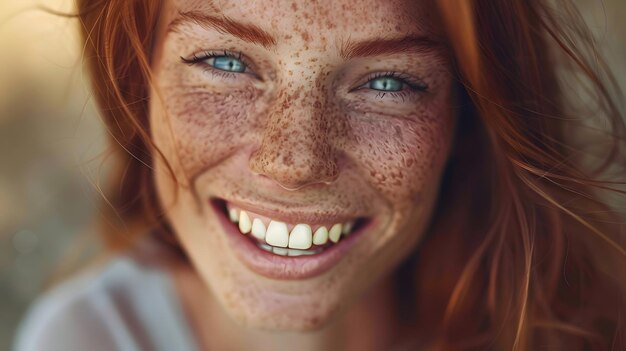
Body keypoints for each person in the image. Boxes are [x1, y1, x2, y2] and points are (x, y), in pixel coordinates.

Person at [14, 0, 626, 350]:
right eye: (225, 61)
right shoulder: (86, 339)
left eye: (388, 82)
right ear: (134, 83)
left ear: (470, 118)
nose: (294, 162)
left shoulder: (578, 328)